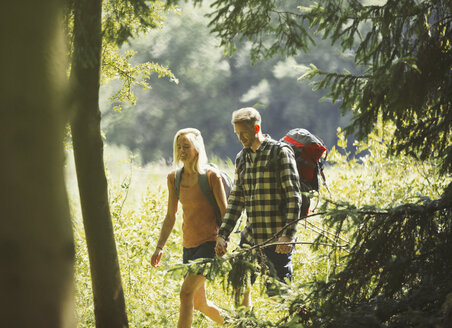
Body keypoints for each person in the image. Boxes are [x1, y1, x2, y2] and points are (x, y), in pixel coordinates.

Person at [215, 107, 302, 306]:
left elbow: (293, 195)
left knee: (279, 296)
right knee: (239, 286)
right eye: (237, 134)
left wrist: (288, 234)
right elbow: (237, 199)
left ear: (256, 127)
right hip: (251, 237)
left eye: (244, 133)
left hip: (277, 238)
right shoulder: (242, 158)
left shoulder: (279, 152)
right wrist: (223, 233)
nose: (240, 138)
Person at [151, 128, 226, 328]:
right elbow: (170, 216)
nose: (181, 151)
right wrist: (159, 247)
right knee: (199, 303)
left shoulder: (211, 176)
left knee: (185, 294)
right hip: (189, 245)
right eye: (178, 147)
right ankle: (240, 324)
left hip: (209, 244)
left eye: (186, 146)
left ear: (197, 149)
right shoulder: (174, 178)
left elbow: (226, 212)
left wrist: (223, 238)